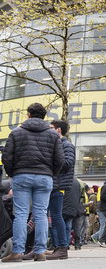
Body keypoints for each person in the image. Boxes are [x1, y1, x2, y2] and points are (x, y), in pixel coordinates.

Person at [1, 103, 64, 263]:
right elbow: (60, 160)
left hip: (21, 175)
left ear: (28, 114)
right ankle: (40, 252)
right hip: (44, 177)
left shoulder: (16, 133)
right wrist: (50, 174)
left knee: (21, 214)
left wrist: (12, 174)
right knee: (41, 214)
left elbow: (7, 157)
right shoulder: (53, 135)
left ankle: (17, 252)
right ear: (44, 116)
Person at [43, 120, 75, 260]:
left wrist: (50, 162)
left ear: (58, 130)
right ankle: (57, 247)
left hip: (58, 185)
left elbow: (68, 163)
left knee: (56, 216)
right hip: (53, 184)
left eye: (51, 128)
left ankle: (62, 247)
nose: (48, 131)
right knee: (51, 217)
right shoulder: (56, 144)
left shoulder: (66, 145)